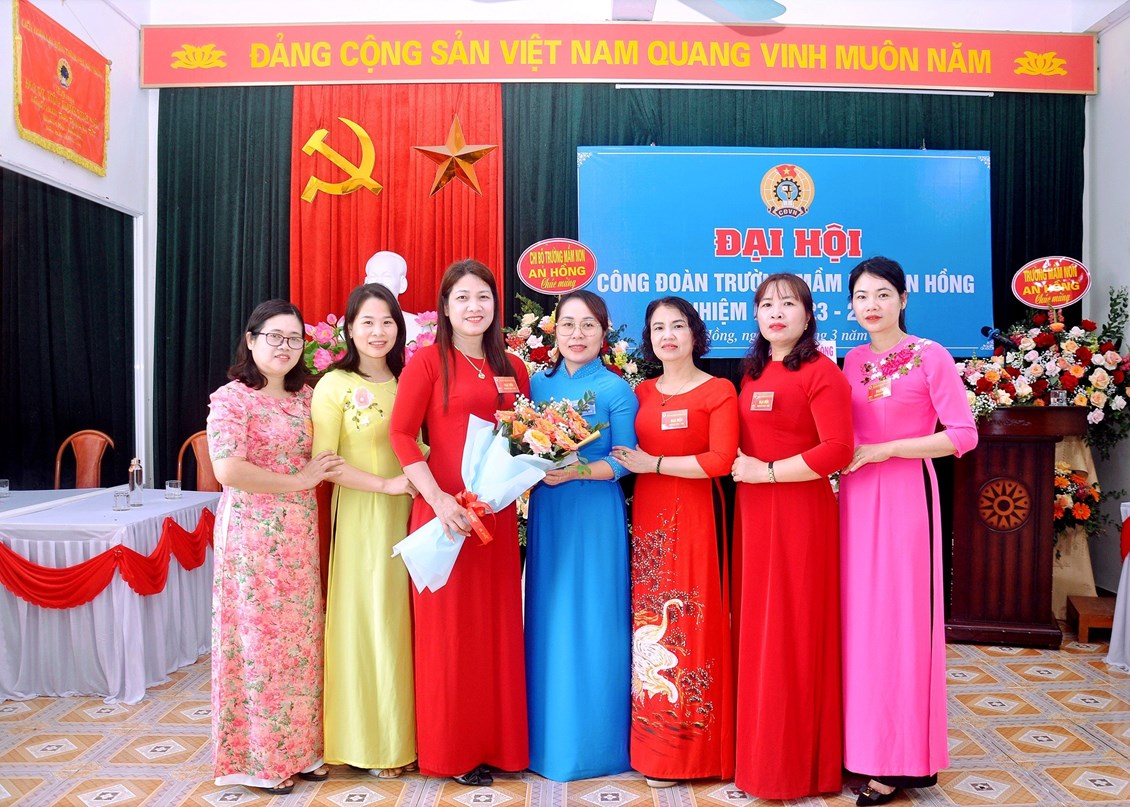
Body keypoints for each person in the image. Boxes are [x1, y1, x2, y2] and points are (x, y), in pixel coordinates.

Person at [839, 257, 978, 806]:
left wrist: (890, 448)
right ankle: (860, 745)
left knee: (900, 624)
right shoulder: (851, 360)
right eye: (861, 296)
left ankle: (898, 760)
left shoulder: (930, 354)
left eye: (882, 294)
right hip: (853, 500)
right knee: (859, 624)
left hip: (904, 497)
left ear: (903, 298)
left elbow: (962, 435)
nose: (871, 305)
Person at [388, 259, 530, 786]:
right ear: (446, 307)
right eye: (463, 297)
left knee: (495, 630)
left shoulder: (513, 366)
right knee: (448, 636)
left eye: (484, 297)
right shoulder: (428, 362)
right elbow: (401, 435)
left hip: (493, 517)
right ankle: (454, 752)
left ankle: (499, 746)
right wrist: (440, 500)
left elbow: (521, 436)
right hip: (444, 518)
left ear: (496, 305)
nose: (475, 307)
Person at [207, 300, 344, 796]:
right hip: (251, 537)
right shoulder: (231, 399)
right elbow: (228, 469)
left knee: (300, 641)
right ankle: (260, 761)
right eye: (274, 336)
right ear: (251, 340)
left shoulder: (307, 397)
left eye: (294, 338)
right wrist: (300, 480)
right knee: (258, 643)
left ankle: (303, 751)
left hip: (298, 535)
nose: (285, 346)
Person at [729, 273, 853, 799]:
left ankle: (795, 765)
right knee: (759, 630)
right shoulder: (754, 372)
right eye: (766, 304)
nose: (776, 313)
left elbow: (838, 449)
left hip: (800, 513)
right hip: (754, 514)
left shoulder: (822, 372)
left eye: (788, 304)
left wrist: (768, 473)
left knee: (793, 631)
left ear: (808, 315)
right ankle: (757, 753)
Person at [612, 296, 737, 788]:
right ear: (649, 338)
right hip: (649, 522)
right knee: (650, 628)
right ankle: (654, 749)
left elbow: (721, 460)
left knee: (694, 621)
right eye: (659, 327)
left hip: (697, 518)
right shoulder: (641, 391)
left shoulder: (718, 390)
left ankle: (695, 753)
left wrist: (656, 464)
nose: (668, 335)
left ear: (694, 334)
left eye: (678, 326)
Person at [525, 290, 639, 782]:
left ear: (603, 333)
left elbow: (625, 459)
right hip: (549, 512)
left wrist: (577, 471)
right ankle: (545, 741)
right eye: (568, 324)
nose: (577, 334)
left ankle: (598, 746)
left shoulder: (617, 389)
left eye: (588, 325)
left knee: (595, 617)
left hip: (594, 513)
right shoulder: (535, 384)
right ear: (554, 331)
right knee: (549, 616)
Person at [311, 284, 419, 778]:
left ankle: (412, 734)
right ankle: (372, 745)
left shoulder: (409, 379)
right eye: (367, 322)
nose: (378, 332)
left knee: (405, 624)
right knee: (371, 619)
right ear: (349, 329)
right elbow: (325, 462)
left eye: (387, 321)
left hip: (413, 514)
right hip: (363, 515)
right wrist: (386, 484)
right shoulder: (334, 385)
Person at [365, 250, 422, 344]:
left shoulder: (419, 328)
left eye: (386, 277)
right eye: (373, 276)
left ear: (402, 284)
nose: (379, 283)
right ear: (366, 282)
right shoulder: (347, 325)